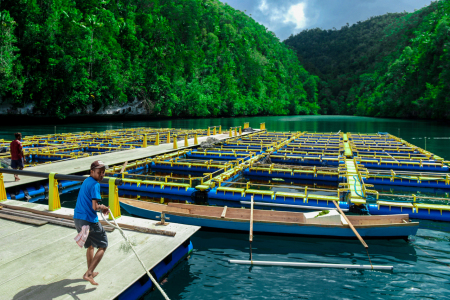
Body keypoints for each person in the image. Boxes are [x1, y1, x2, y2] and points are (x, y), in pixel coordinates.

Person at [74, 160, 110, 286]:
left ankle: (91, 271)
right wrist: (103, 207)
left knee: (90, 246)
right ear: (92, 172)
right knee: (103, 245)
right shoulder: (95, 184)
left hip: (78, 219)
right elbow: (94, 207)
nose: (101, 175)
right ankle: (88, 273)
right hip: (89, 221)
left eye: (103, 173)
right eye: (99, 172)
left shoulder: (86, 181)